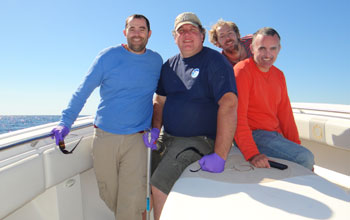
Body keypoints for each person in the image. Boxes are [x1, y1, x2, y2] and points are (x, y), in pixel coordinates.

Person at [50, 14, 163, 220]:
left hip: (138, 140)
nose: (137, 33)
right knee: (108, 193)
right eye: (132, 28)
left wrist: (156, 128)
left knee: (132, 199)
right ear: (125, 32)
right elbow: (83, 90)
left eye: (142, 29)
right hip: (105, 136)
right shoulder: (107, 56)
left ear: (149, 33)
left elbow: (161, 97)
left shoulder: (156, 61)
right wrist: (65, 122)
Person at [143, 12, 238, 220]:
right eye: (181, 31)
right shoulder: (168, 66)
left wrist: (220, 156)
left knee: (159, 184)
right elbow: (159, 101)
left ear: (202, 35)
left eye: (192, 30)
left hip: (200, 139)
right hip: (167, 138)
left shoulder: (214, 61)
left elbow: (229, 105)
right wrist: (155, 129)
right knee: (141, 179)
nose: (186, 35)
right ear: (174, 36)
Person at [233, 27, 314, 170]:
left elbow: (285, 114)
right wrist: (252, 154)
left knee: (302, 157)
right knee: (305, 158)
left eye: (273, 48)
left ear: (279, 49)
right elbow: (237, 116)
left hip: (274, 135)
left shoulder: (279, 75)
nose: (268, 54)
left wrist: (295, 145)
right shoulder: (242, 71)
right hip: (253, 134)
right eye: (262, 48)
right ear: (252, 48)